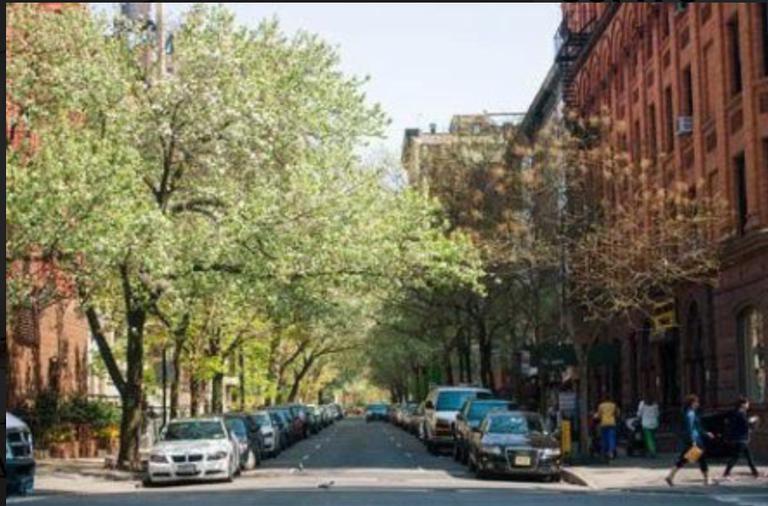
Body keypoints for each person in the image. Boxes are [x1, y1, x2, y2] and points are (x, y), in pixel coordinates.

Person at [665, 394, 714, 487]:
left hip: (692, 439)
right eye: (696, 402)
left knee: (685, 458)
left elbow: (697, 427)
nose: (698, 404)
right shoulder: (690, 414)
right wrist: (693, 441)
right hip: (695, 440)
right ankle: (707, 479)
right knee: (701, 458)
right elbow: (690, 428)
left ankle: (670, 476)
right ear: (692, 403)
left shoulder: (691, 412)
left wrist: (706, 433)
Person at [721, 397, 760, 481]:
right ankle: (726, 473)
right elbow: (746, 423)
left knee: (748, 456)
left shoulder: (735, 413)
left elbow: (739, 425)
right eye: (747, 404)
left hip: (738, 439)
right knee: (736, 457)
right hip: (741, 439)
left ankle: (755, 473)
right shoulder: (740, 413)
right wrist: (752, 420)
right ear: (742, 405)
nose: (748, 405)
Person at [594, 395, 620, 461]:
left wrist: (596, 417)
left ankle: (605, 451)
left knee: (604, 438)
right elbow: (617, 413)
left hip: (604, 423)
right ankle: (611, 452)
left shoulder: (601, 406)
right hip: (612, 423)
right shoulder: (613, 405)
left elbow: (599, 415)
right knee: (611, 437)